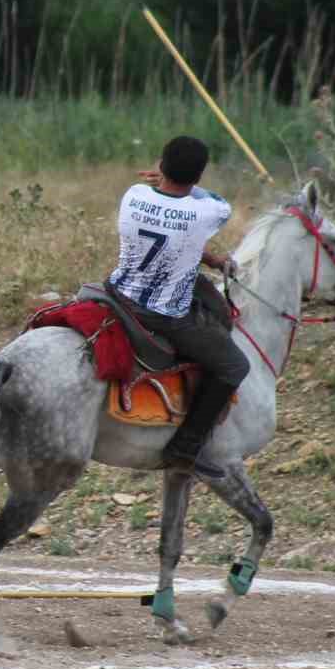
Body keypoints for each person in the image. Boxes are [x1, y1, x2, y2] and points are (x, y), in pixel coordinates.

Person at [106, 135, 248, 478]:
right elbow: (199, 210)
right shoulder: (208, 210)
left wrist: (210, 259)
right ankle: (185, 446)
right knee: (234, 365)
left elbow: (171, 230)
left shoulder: (134, 195)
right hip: (162, 312)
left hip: (119, 292)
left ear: (161, 165)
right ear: (198, 177)